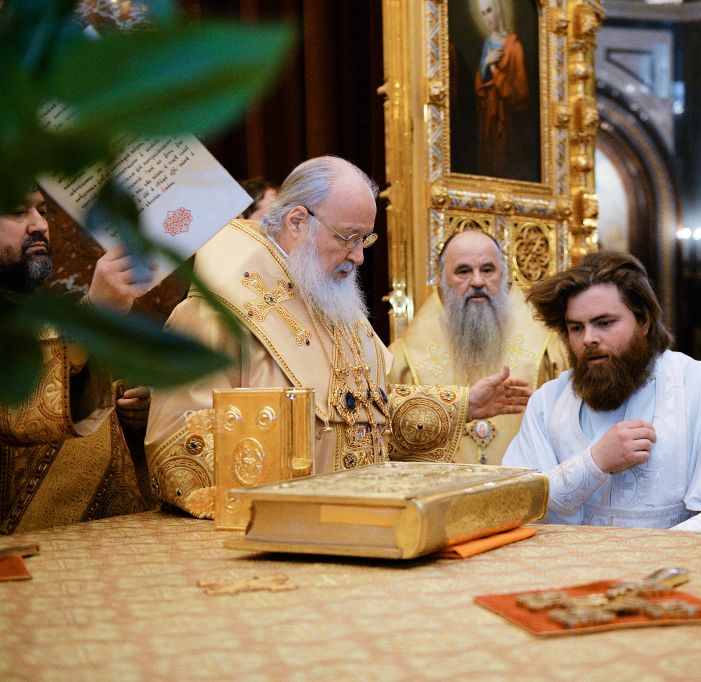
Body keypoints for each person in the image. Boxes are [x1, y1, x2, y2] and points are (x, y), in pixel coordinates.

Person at [146, 156, 529, 518]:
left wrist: (459, 406)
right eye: (348, 237)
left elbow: (363, 416)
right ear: (298, 222)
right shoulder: (216, 314)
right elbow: (178, 452)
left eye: (365, 239)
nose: (359, 256)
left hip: (355, 532)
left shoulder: (332, 304)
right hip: (274, 543)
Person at [503, 251, 701, 532]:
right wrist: (593, 463)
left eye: (604, 323)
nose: (588, 339)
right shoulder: (547, 403)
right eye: (576, 328)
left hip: (675, 560)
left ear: (644, 321)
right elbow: (513, 503)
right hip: (569, 561)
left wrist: (658, 550)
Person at [1, 189, 153, 533]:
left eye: (42, 211)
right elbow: (19, 416)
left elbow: (100, 400)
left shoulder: (52, 315)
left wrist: (138, 410)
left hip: (115, 537)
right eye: (17, 211)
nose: (39, 225)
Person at [388, 229, 567, 464]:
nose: (478, 281)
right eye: (463, 271)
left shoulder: (549, 348)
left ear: (504, 275)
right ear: (442, 279)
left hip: (526, 484)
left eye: (487, 270)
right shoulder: (402, 358)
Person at [474, 0, 529, 178]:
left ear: (498, 10)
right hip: (489, 119)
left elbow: (520, 94)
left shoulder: (515, 47)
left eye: (489, 11)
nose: (487, 18)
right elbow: (480, 87)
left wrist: (494, 70)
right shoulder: (487, 45)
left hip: (509, 122)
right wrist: (486, 64)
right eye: (483, 14)